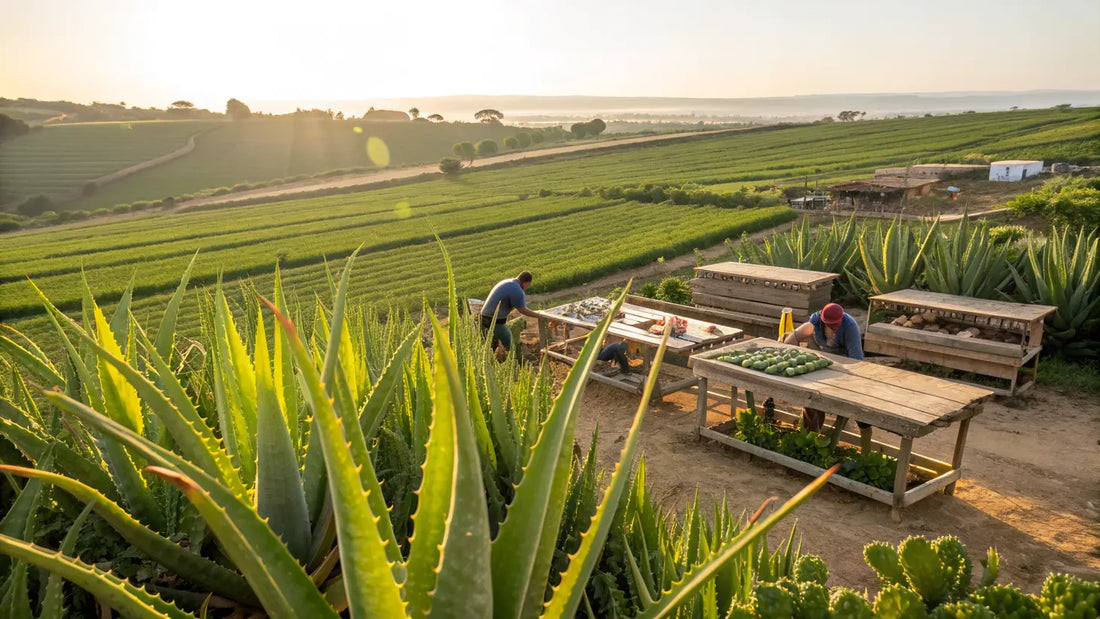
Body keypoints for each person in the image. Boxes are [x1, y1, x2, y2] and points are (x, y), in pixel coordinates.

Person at [782, 302, 873, 452]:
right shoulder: (816, 321)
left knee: (859, 410)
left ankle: (866, 452)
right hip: (822, 365)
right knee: (811, 400)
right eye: (830, 324)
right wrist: (787, 348)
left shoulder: (849, 326)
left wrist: (844, 377)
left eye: (836, 324)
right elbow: (795, 335)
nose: (833, 327)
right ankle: (810, 441)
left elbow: (856, 360)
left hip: (845, 369)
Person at [480, 271, 544, 353]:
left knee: (491, 345)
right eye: (528, 285)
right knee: (510, 345)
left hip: (484, 317)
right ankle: (516, 363)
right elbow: (522, 310)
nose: (527, 287)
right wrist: (539, 315)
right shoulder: (517, 290)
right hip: (495, 321)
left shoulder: (507, 282)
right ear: (526, 283)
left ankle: (491, 362)